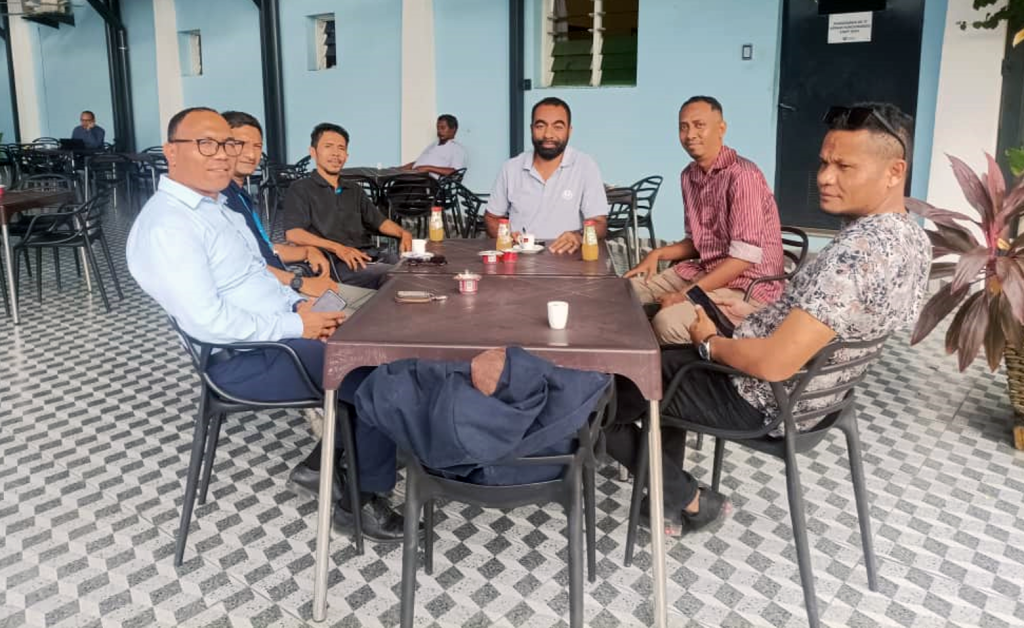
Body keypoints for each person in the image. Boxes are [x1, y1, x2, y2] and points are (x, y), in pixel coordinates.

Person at [606, 102, 930, 536]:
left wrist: (709, 342)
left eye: (843, 166)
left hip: (762, 397)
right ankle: (668, 497)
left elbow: (775, 362)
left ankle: (687, 498)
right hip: (812, 394)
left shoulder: (859, 254)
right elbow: (825, 323)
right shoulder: (910, 237)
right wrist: (756, 315)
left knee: (601, 391)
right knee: (659, 363)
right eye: (823, 163)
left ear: (894, 172)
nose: (823, 177)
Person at [126, 107, 408, 542]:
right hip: (245, 358)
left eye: (228, 144)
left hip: (282, 322)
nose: (222, 154)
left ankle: (342, 459)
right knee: (371, 367)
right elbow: (209, 321)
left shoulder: (217, 207)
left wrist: (302, 305)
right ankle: (361, 501)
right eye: (207, 144)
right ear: (171, 152)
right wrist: (300, 326)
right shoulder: (170, 224)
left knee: (380, 323)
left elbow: (258, 278)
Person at [624, 96, 785, 345]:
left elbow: (744, 258)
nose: (690, 134)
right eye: (683, 126)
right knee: (622, 294)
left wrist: (684, 296)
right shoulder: (689, 176)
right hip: (706, 271)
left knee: (667, 322)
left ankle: (672, 378)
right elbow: (697, 243)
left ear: (721, 129)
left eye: (699, 125)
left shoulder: (743, 176)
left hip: (747, 285)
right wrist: (657, 254)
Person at [220, 111, 335, 298]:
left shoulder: (240, 195)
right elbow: (239, 265)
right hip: (265, 302)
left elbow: (262, 248)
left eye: (257, 146)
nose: (251, 154)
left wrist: (307, 250)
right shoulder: (220, 200)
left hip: (281, 292)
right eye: (239, 144)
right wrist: (299, 282)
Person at [283, 123, 413, 289]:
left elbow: (379, 221)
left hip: (368, 255)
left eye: (341, 148)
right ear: (313, 152)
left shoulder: (353, 189)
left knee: (417, 268)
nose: (336, 154)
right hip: (337, 263)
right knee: (398, 277)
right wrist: (338, 248)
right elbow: (293, 234)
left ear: (347, 155)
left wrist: (403, 233)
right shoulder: (300, 189)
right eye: (328, 147)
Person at [484, 97, 609, 255]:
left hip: (568, 260)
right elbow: (491, 217)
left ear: (569, 131)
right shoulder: (511, 168)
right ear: (531, 129)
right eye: (540, 126)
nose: (548, 134)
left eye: (558, 127)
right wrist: (505, 237)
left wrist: (578, 237)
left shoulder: (585, 166)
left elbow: (600, 223)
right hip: (520, 260)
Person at [402, 114, 466, 178]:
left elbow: (455, 172)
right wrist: (400, 169)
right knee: (395, 181)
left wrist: (428, 168)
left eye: (442, 128)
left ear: (453, 129)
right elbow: (418, 163)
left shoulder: (456, 148)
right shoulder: (432, 145)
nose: (439, 131)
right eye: (438, 128)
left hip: (428, 181)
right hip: (414, 176)